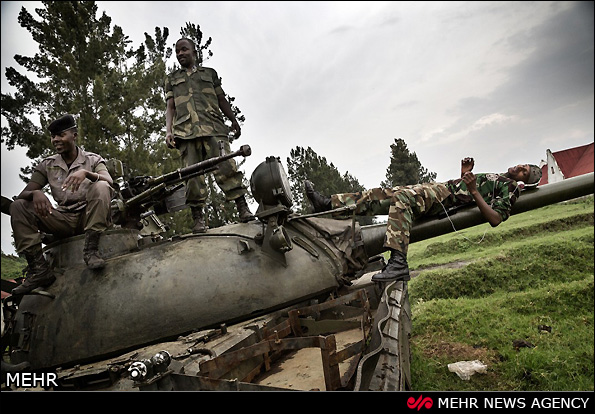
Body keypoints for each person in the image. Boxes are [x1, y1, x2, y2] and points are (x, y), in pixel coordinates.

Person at [305, 157, 542, 283]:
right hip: (442, 189)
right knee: (383, 194)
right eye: (522, 164)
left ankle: (399, 263)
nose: (520, 167)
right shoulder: (499, 177)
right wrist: (465, 175)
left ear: (524, 181)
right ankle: (329, 205)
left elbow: (496, 218)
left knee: (402, 198)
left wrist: (473, 190)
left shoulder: (511, 188)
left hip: (443, 198)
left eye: (524, 171)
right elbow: (467, 193)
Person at [9, 114, 114, 295]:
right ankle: (39, 270)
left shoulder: (92, 160)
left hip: (88, 215)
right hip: (63, 219)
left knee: (102, 186)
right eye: (53, 136)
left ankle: (91, 250)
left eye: (61, 135)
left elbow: (109, 180)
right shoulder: (47, 165)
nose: (56, 139)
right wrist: (36, 193)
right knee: (18, 206)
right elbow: (23, 194)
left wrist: (86, 174)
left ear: (74, 135)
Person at [164, 37, 255, 233]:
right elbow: (170, 107)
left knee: (226, 166)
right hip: (186, 132)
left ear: (194, 52)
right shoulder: (171, 79)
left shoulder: (209, 74)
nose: (180, 54)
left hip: (213, 127)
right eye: (177, 51)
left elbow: (221, 99)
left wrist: (233, 120)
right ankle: (198, 219)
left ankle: (242, 207)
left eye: (184, 50)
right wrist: (169, 131)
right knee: (192, 176)